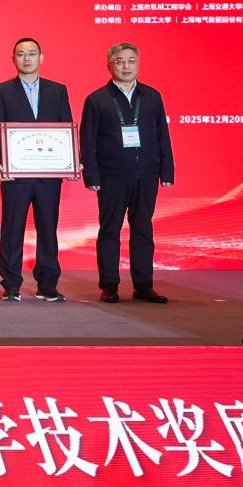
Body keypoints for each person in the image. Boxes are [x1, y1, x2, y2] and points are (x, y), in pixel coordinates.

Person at [79, 41, 174, 303]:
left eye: (131, 61)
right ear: (109, 65)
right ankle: (109, 285)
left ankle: (144, 285)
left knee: (143, 229)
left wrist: (167, 170)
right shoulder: (97, 99)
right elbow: (88, 140)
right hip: (111, 175)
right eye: (120, 61)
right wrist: (92, 175)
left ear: (138, 64)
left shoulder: (152, 96)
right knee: (109, 230)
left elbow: (162, 135)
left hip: (146, 174)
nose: (126, 66)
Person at [0, 37, 75, 302]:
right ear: (13, 59)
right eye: (21, 54)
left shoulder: (58, 91)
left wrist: (70, 160)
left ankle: (47, 285)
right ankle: (11, 284)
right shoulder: (1, 91)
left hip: (49, 175)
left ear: (41, 58)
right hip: (15, 174)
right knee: (12, 229)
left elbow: (66, 128)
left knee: (48, 229)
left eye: (32, 53)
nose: (27, 58)